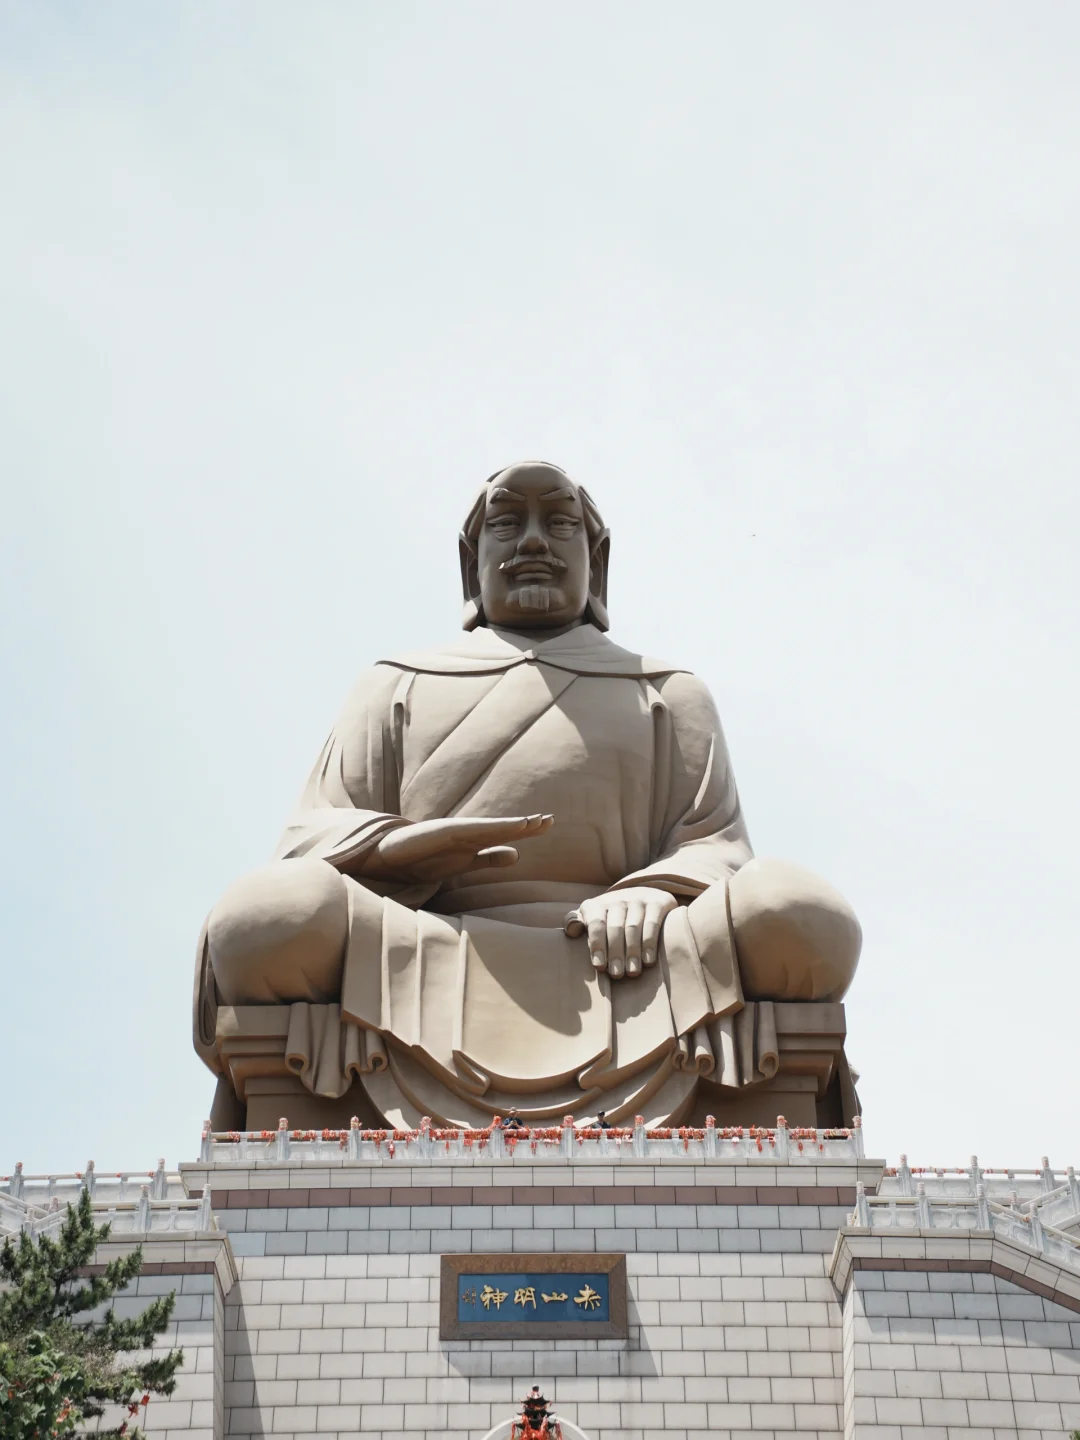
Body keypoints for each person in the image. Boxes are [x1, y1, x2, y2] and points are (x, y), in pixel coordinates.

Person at [196, 462, 861, 1127]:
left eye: (560, 523)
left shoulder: (665, 691)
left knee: (795, 910)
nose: (535, 542)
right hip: (419, 948)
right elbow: (309, 842)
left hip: (637, 963)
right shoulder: (394, 684)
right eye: (508, 523)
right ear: (471, 562)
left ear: (596, 562)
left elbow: (717, 846)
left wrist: (656, 889)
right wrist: (399, 852)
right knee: (263, 916)